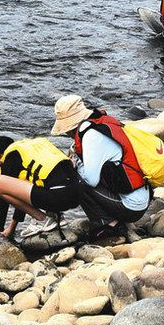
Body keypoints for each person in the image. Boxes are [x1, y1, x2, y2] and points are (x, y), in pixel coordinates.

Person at [51, 96, 151, 241]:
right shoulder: (101, 125)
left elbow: (91, 180)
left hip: (132, 207)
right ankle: (117, 222)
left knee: (76, 179)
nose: (66, 133)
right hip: (142, 197)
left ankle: (109, 224)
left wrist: (76, 164)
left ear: (71, 125)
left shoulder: (91, 136)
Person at [0, 135, 80, 250]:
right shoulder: (31, 147)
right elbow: (22, 195)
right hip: (76, 194)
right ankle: (54, 217)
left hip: (58, 197)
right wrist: (11, 228)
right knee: (44, 181)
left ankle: (42, 219)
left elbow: (2, 202)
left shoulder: (9, 156)